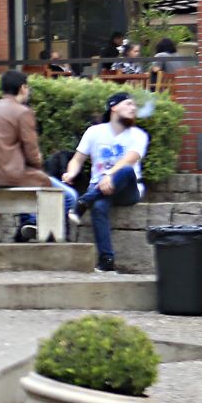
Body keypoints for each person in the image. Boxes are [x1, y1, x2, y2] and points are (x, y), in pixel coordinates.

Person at [0, 70, 78, 240]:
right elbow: (32, 154)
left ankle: (28, 225)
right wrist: (39, 165)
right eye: (28, 87)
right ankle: (50, 237)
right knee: (69, 197)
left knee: (33, 181)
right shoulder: (22, 112)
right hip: (8, 176)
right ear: (23, 88)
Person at [62, 93, 148, 272]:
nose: (133, 108)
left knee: (126, 170)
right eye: (128, 104)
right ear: (114, 107)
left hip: (128, 189)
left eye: (134, 105)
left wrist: (109, 174)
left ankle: (83, 202)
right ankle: (107, 261)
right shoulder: (94, 132)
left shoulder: (139, 135)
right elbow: (77, 159)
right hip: (100, 189)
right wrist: (70, 173)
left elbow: (130, 159)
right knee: (100, 206)